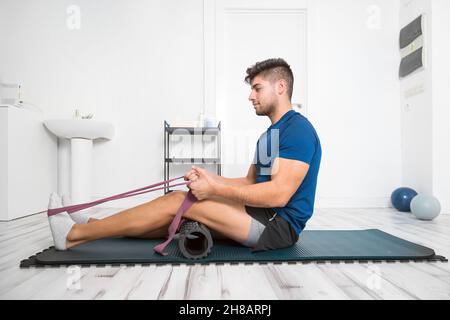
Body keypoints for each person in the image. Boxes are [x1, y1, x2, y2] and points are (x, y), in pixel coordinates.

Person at [48, 58, 321, 252]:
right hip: (259, 213)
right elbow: (251, 183)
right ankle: (97, 224)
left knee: (181, 203)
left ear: (281, 87)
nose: (250, 96)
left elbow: (278, 195)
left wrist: (215, 189)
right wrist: (211, 179)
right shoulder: (271, 134)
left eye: (257, 88)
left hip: (277, 228)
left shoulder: (297, 130)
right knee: (178, 203)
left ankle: (74, 236)